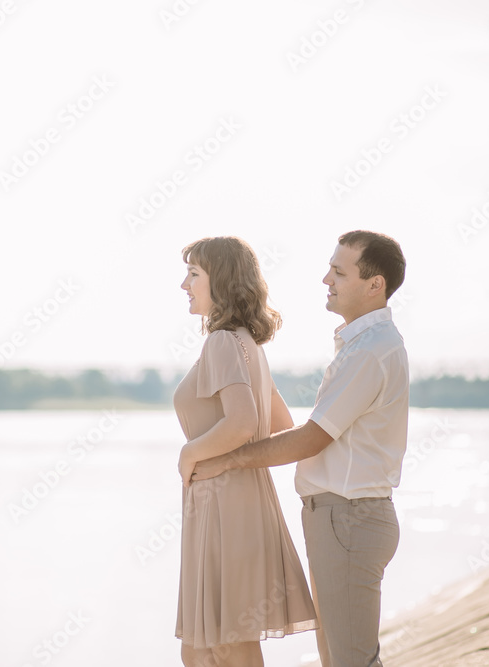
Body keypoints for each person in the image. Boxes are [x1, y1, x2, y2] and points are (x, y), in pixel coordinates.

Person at [189, 230, 408, 667]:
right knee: (341, 659)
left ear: (374, 284)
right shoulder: (361, 345)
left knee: (351, 662)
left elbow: (310, 437)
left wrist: (223, 459)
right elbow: (296, 427)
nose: (326, 278)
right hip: (341, 517)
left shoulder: (371, 351)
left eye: (339, 271)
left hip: (349, 517)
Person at [174, 236, 317, 667]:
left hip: (223, 505)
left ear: (222, 280)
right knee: (201, 650)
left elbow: (242, 422)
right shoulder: (247, 345)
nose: (184, 285)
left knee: (225, 646)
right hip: (236, 501)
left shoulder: (221, 343)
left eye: (194, 274)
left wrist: (191, 453)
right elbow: (280, 425)